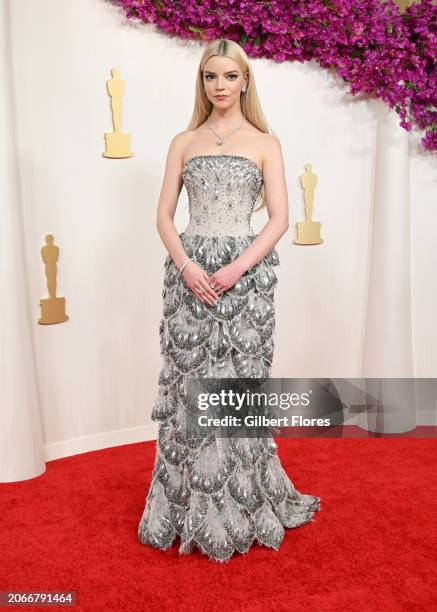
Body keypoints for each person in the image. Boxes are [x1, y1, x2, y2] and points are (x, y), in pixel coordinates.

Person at [138, 38, 321, 563]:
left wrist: (238, 267)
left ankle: (243, 504)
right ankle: (183, 505)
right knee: (189, 384)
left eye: (229, 76)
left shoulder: (265, 142)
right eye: (210, 77)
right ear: (203, 82)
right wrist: (189, 267)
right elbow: (164, 217)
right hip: (189, 276)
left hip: (245, 278)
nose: (219, 86)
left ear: (245, 81)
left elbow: (280, 218)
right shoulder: (183, 141)